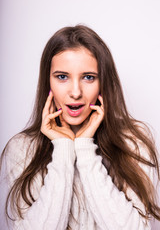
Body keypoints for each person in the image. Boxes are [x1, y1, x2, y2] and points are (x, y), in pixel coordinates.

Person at [0, 25, 160, 230]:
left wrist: (84, 148)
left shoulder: (133, 142)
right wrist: (63, 149)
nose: (75, 92)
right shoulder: (21, 149)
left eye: (88, 77)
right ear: (47, 81)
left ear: (103, 83)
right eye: (62, 77)